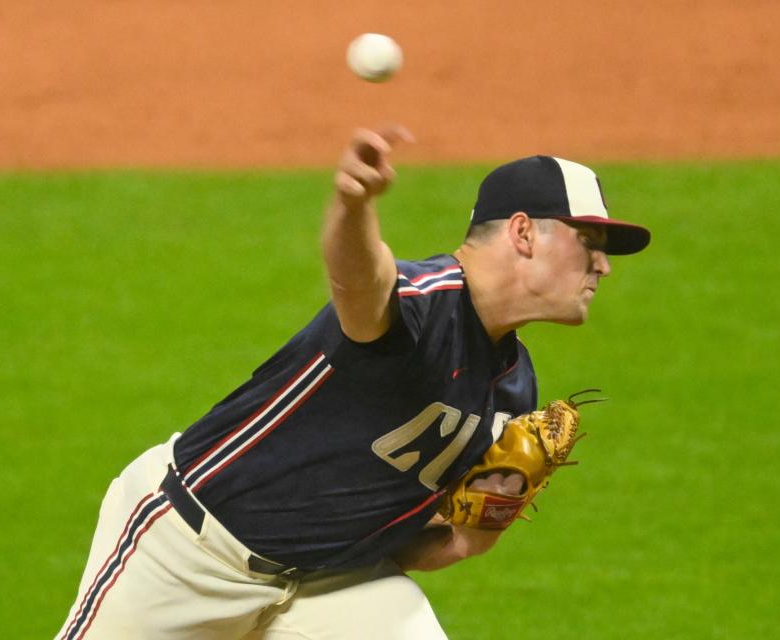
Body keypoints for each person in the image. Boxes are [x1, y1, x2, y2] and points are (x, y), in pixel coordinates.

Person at [56, 125, 651, 640]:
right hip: (190, 554)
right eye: (588, 241)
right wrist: (352, 206)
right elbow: (359, 282)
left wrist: (475, 530)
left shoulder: (512, 386)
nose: (602, 264)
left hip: (328, 582)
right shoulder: (422, 306)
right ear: (523, 233)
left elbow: (424, 546)